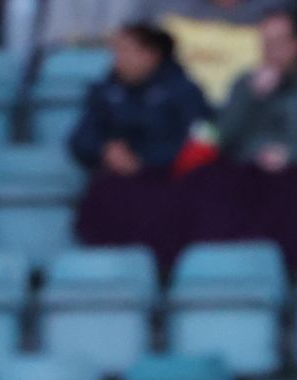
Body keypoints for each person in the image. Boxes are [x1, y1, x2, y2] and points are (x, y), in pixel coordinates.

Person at [175, 6, 297, 271]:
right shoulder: (245, 84)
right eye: (264, 42)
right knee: (210, 184)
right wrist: (250, 98)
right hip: (249, 178)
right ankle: (215, 272)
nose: (270, 51)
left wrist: (290, 155)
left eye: (278, 42)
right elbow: (218, 139)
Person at [69, 22, 212, 273]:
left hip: (167, 184)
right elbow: (80, 138)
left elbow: (197, 142)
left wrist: (143, 161)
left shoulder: (184, 91)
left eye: (125, 51)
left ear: (150, 54)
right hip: (116, 184)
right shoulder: (106, 90)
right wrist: (106, 150)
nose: (118, 59)